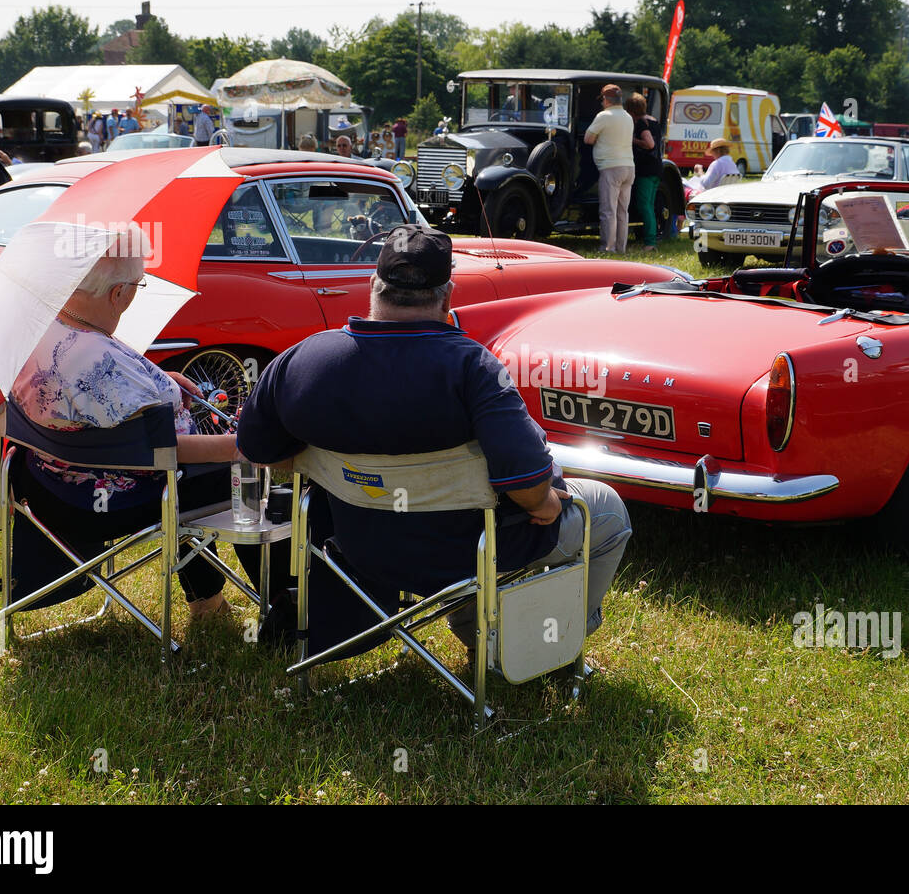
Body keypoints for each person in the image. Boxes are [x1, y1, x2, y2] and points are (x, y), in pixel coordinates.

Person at [236, 225, 633, 654]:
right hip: (470, 552)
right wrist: (545, 503)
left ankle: (486, 626)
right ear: (448, 297)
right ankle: (543, 641)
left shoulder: (303, 360)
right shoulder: (475, 369)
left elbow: (257, 451)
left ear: (373, 287)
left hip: (359, 550)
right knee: (608, 510)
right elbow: (527, 483)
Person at [11, 224, 285, 619]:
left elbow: (108, 400)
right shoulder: (96, 360)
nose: (134, 296)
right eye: (137, 287)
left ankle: (208, 600)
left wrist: (162, 384)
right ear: (117, 293)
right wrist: (241, 446)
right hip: (106, 498)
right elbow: (163, 450)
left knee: (190, 477)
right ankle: (283, 606)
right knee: (240, 479)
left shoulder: (47, 327)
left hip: (45, 483)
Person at [583, 83, 635, 253]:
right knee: (622, 211)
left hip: (610, 167)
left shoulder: (604, 116)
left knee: (608, 211)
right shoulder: (628, 116)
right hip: (629, 166)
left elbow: (588, 139)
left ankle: (607, 247)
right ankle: (621, 248)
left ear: (606, 100)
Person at [625, 92, 662, 251]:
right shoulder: (653, 120)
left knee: (644, 205)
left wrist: (632, 140)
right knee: (650, 205)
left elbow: (650, 144)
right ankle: (652, 238)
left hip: (645, 170)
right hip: (656, 168)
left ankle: (649, 242)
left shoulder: (641, 123)